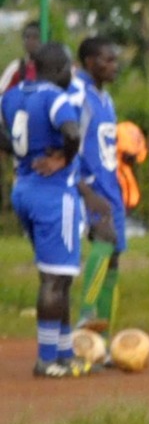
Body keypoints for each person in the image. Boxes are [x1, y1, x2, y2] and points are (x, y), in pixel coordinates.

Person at [8, 42, 108, 378]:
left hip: (23, 190)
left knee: (57, 276)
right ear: (55, 70)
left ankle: (63, 355)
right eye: (68, 67)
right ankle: (48, 360)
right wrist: (64, 158)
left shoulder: (14, 94)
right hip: (53, 195)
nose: (72, 73)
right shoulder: (54, 96)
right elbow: (71, 131)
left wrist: (19, 156)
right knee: (55, 279)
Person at [69, 37, 127, 332]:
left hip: (110, 186)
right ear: (90, 62)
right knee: (103, 240)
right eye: (108, 60)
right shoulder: (78, 95)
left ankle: (101, 339)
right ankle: (86, 314)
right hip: (91, 188)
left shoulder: (106, 98)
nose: (114, 65)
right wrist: (86, 191)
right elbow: (68, 144)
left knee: (114, 256)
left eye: (115, 59)